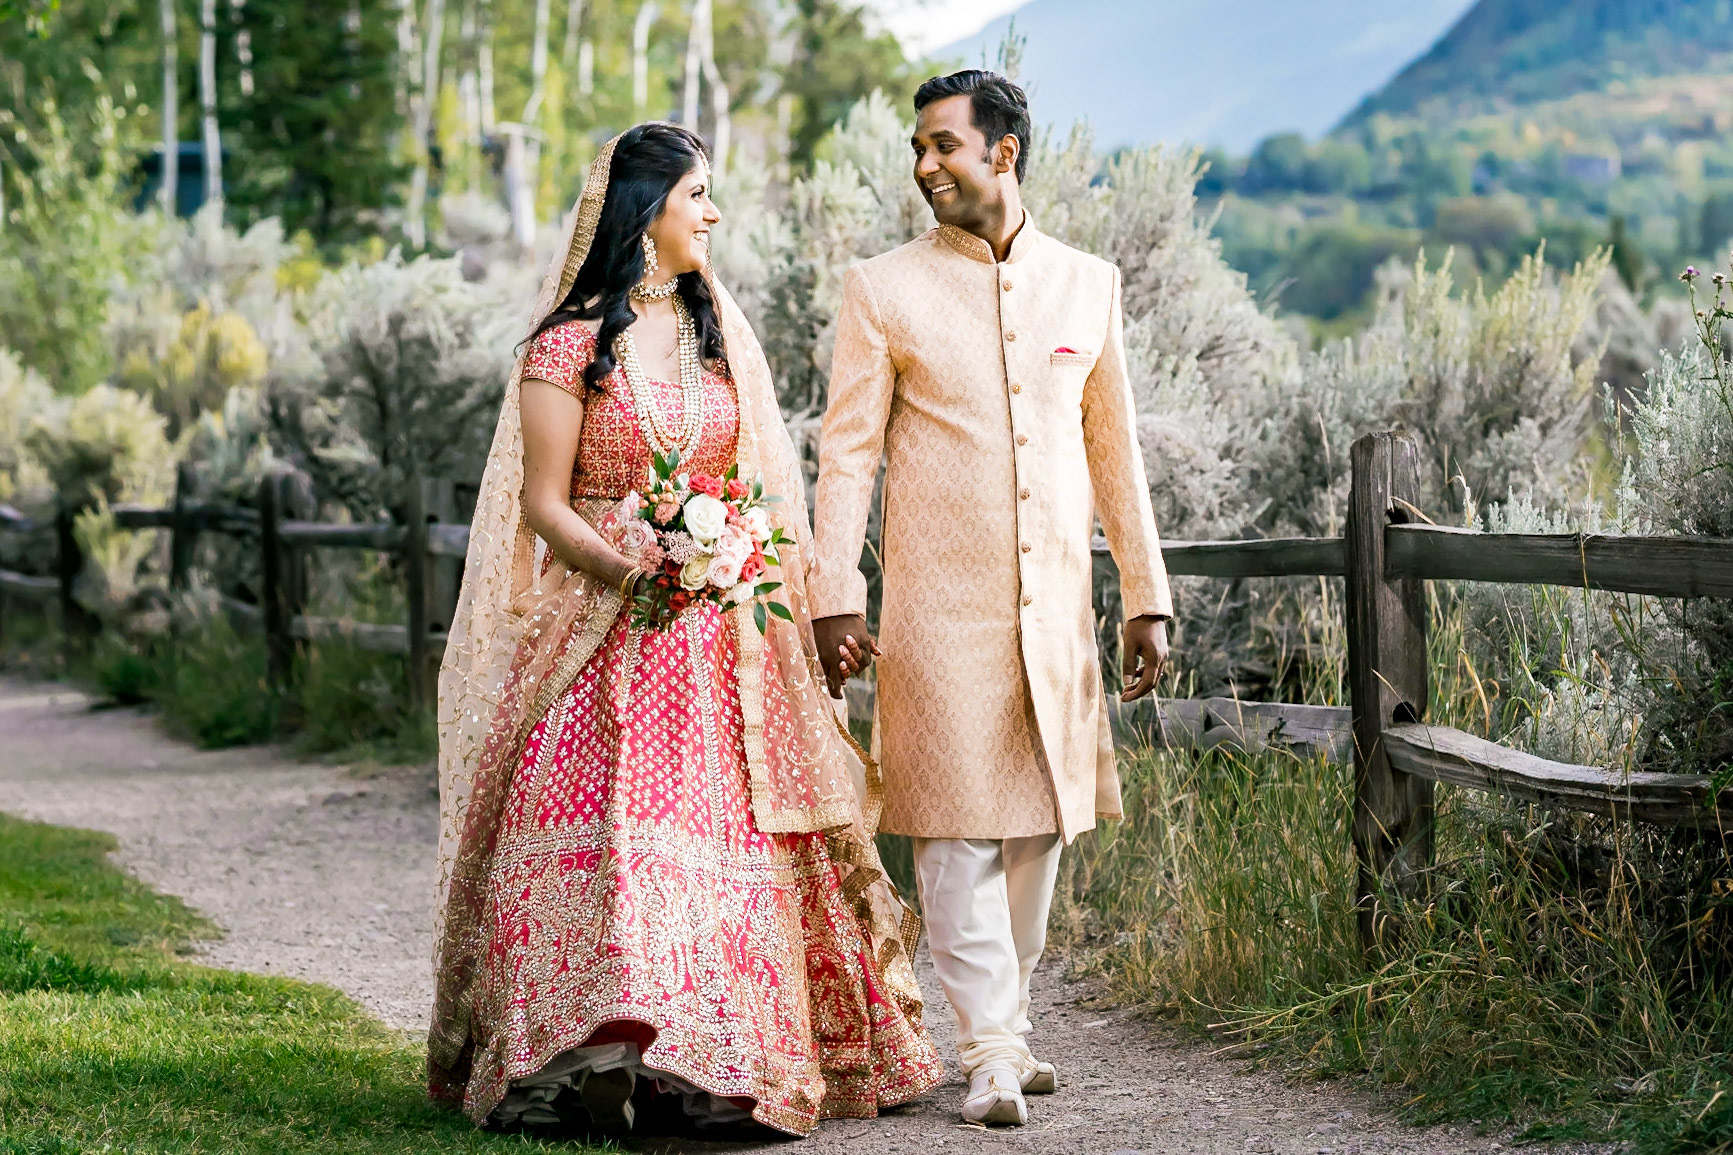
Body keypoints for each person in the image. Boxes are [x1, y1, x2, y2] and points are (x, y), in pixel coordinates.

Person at [429, 122, 941, 1139]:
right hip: (597, 629)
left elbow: (753, 488)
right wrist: (632, 569)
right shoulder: (566, 347)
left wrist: (751, 568)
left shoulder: (716, 337)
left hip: (719, 646)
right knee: (615, 839)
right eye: (698, 194)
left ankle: (713, 1065)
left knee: (715, 844)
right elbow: (544, 502)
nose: (712, 214)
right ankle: (599, 1059)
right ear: (645, 207)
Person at [808, 71, 1174, 1127]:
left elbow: (1118, 457)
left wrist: (1144, 596)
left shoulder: (1086, 283)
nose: (924, 168)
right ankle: (989, 1050)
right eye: (917, 151)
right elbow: (844, 460)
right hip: (934, 611)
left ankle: (996, 1026)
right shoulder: (881, 288)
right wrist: (836, 592)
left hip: (1056, 614)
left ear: (1002, 153)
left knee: (1038, 831)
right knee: (954, 832)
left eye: (942, 148)